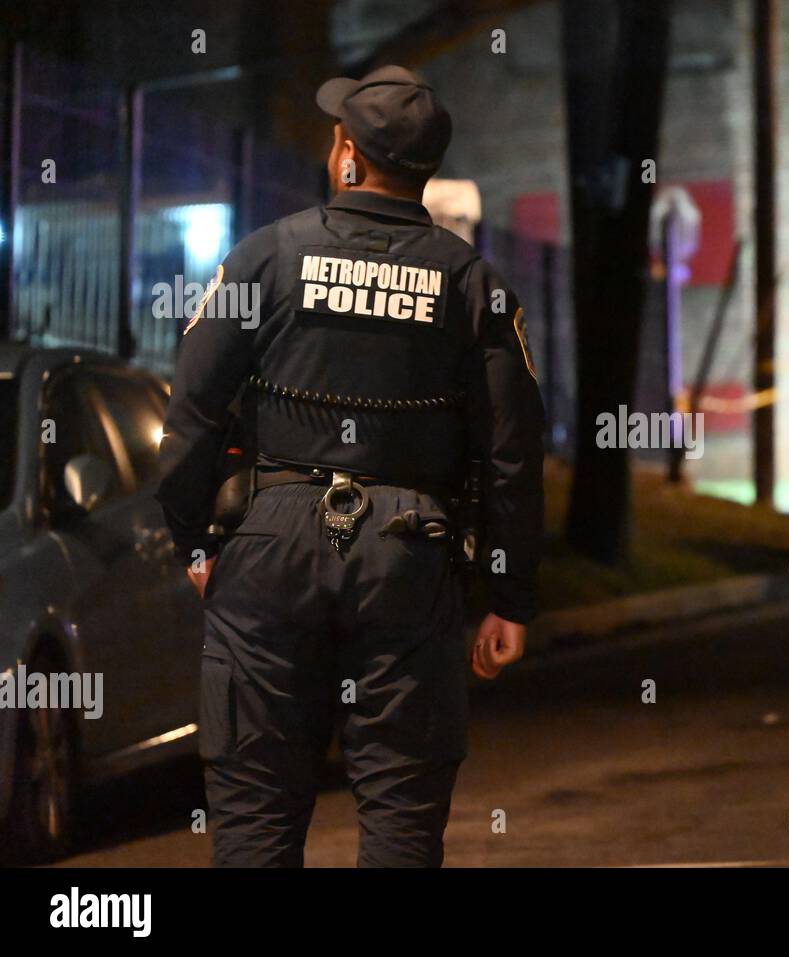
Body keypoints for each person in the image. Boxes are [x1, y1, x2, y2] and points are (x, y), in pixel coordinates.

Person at [156, 65, 545, 867]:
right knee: (402, 816)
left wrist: (194, 540)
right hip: (407, 553)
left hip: (268, 547)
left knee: (256, 814)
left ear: (348, 158)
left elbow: (191, 410)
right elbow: (512, 451)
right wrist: (510, 597)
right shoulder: (472, 285)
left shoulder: (266, 257)